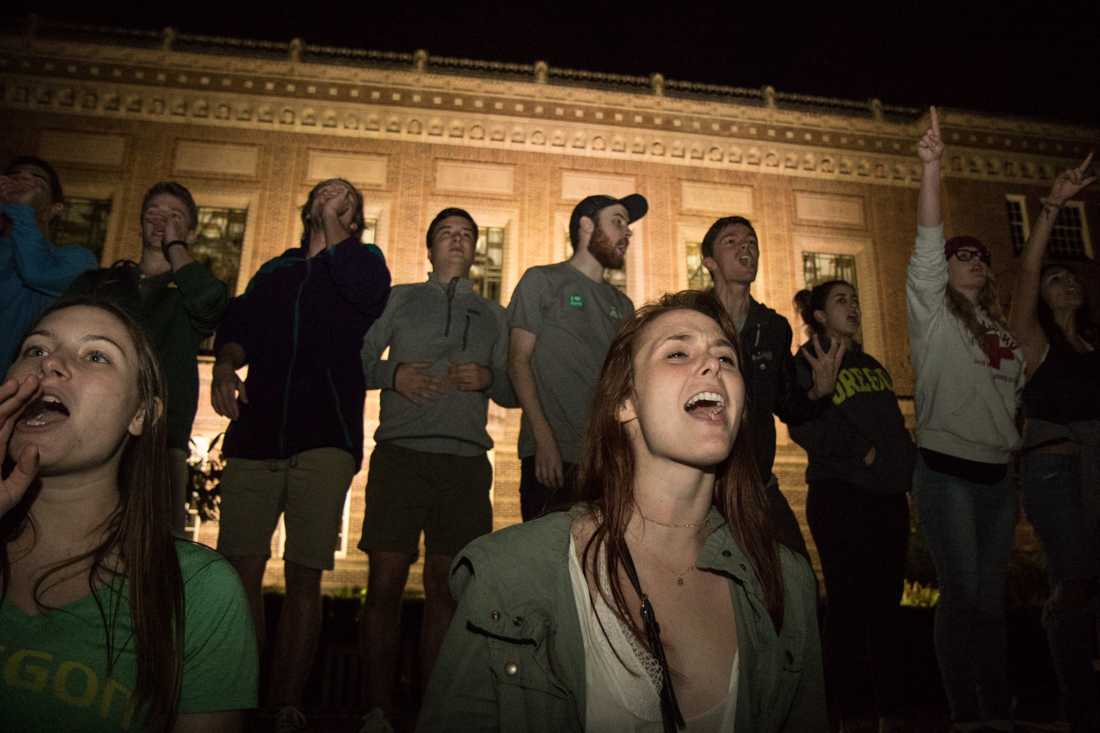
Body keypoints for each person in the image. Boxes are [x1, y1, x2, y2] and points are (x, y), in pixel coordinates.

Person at [419, 290, 826, 733]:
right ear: (625, 403)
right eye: (677, 353)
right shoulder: (510, 576)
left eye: (726, 359)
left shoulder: (788, 586)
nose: (713, 365)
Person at [0, 297, 257, 732]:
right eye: (36, 350)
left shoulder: (198, 594)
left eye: (96, 355)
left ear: (141, 413)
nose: (50, 365)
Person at [211, 178, 390, 732]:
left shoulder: (362, 260)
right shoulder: (275, 270)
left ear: (353, 218)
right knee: (239, 567)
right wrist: (224, 366)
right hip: (256, 433)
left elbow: (368, 297)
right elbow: (240, 327)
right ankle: (238, 694)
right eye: (326, 193)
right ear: (307, 206)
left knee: (304, 573)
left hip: (326, 437)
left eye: (346, 199)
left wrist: (339, 231)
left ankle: (287, 702)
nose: (333, 198)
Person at [357, 208, 517, 732]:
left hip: (466, 462)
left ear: (476, 251)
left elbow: (513, 391)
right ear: (430, 248)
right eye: (447, 233)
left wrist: (490, 376)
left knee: (447, 589)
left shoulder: (494, 315)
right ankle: (377, 710)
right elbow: (354, 359)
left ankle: (436, 715)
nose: (457, 241)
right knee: (384, 582)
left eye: (467, 235)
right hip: (400, 455)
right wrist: (392, 372)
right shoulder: (399, 298)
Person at [909, 107, 1025, 732]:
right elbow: (929, 246)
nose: (974, 258)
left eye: (982, 254)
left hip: (996, 478)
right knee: (965, 596)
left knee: (994, 602)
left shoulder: (1001, 331)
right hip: (948, 470)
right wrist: (933, 168)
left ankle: (998, 710)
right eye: (964, 254)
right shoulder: (934, 318)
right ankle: (967, 714)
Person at [65, 181, 228, 534]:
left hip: (161, 439)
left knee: (154, 550)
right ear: (139, 223)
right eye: (153, 213)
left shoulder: (192, 288)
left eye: (175, 216)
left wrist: (175, 247)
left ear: (192, 232)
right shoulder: (99, 283)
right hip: (91, 435)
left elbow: (210, 306)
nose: (161, 221)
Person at [790, 280, 916, 733]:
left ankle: (893, 713)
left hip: (887, 499)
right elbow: (802, 422)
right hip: (840, 494)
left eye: (856, 299)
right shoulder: (808, 360)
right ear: (819, 316)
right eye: (841, 300)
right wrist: (858, 452)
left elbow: (893, 427)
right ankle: (848, 715)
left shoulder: (872, 365)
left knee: (886, 608)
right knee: (846, 607)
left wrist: (904, 465)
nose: (854, 306)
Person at [1007, 154, 1098, 733]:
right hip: (1056, 469)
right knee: (1075, 580)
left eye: (1070, 277)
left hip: (1097, 465)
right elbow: (1026, 272)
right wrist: (1052, 209)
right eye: (1053, 279)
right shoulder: (1035, 343)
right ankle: (1078, 703)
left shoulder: (1093, 346)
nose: (1063, 280)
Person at [700, 215, 840, 561]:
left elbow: (787, 405)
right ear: (709, 262)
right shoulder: (688, 317)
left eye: (751, 241)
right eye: (731, 242)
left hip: (757, 485)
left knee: (795, 574)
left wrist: (818, 393)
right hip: (699, 487)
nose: (745, 247)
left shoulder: (773, 326)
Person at [508, 193, 644, 521]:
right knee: (550, 565)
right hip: (552, 459)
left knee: (602, 568)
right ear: (586, 225)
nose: (627, 232)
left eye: (628, 225)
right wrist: (543, 440)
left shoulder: (623, 306)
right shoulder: (542, 281)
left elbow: (626, 386)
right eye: (618, 221)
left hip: (606, 463)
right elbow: (517, 361)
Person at [0, 155, 97, 373]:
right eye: (14, 178)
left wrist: (21, 210)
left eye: (36, 182)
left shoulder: (77, 259)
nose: (23, 180)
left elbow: (36, 273)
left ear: (55, 209)